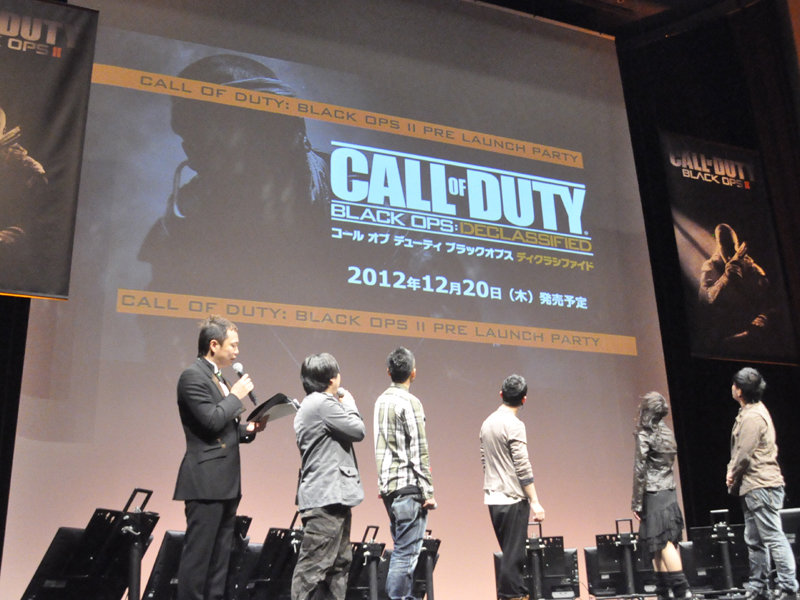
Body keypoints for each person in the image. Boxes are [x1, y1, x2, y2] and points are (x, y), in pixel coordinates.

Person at [173, 315, 267, 600]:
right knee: (199, 559)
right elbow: (211, 421)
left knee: (219, 562)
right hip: (205, 483)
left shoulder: (217, 376)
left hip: (226, 483)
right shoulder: (192, 376)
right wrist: (235, 396)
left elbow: (223, 427)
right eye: (232, 345)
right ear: (214, 345)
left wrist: (247, 429)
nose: (237, 351)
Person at [292, 353, 366, 600]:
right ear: (333, 379)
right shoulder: (322, 404)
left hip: (332, 497)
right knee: (313, 568)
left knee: (338, 565)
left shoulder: (313, 404)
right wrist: (350, 405)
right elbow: (357, 430)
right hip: (325, 498)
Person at [727, 368, 798, 600]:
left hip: (761, 485)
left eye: (734, 385)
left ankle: (788, 587)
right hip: (753, 485)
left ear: (739, 391)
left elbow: (744, 454)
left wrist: (732, 474)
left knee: (773, 537)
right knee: (755, 540)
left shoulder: (752, 417)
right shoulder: (749, 412)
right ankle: (758, 587)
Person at [374, 347, 437, 600]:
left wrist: (382, 484)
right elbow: (419, 451)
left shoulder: (380, 401)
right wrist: (428, 492)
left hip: (390, 489)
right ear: (413, 373)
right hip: (409, 489)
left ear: (389, 372)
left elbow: (380, 447)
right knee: (405, 555)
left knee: (402, 551)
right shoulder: (411, 403)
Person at [480, 374, 545, 600]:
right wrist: (535, 502)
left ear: (501, 394)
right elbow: (522, 465)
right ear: (524, 399)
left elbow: (484, 460)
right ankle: (512, 595)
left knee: (511, 555)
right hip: (513, 499)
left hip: (493, 499)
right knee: (513, 558)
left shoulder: (487, 423)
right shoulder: (515, 425)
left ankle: (518, 594)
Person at [631, 392, 690, 600]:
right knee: (656, 544)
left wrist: (636, 503)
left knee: (663, 543)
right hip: (669, 492)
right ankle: (663, 593)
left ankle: (682, 591)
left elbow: (640, 470)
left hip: (654, 493)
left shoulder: (645, 434)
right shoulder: (668, 433)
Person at [698, 223, 771, 352]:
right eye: (725, 245)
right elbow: (705, 299)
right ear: (719, 245)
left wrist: (762, 318)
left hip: (749, 327)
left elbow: (767, 294)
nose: (730, 251)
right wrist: (726, 277)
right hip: (724, 329)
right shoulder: (710, 266)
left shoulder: (749, 264)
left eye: (732, 245)